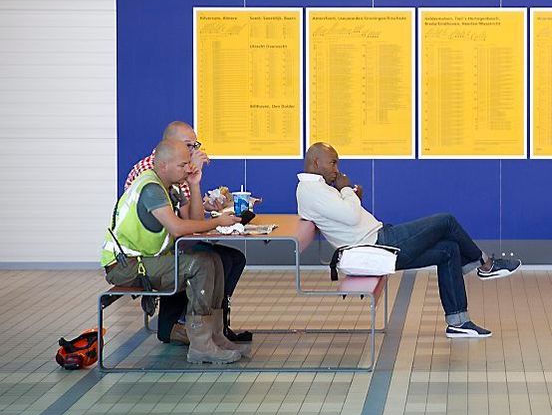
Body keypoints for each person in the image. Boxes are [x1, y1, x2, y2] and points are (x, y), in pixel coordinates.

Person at [297, 142, 522, 338]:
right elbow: (351, 215)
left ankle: (458, 323)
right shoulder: (311, 190)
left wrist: (351, 197)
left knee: (449, 249)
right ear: (316, 163)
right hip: (377, 245)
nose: (337, 170)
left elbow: (345, 215)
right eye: (333, 163)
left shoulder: (319, 188)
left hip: (379, 238)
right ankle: (485, 265)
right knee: (446, 221)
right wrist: (346, 190)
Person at [103, 139, 247, 364]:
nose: (188, 168)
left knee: (213, 258)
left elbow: (195, 221)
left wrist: (195, 183)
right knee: (201, 264)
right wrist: (218, 224)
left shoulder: (171, 187)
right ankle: (201, 345)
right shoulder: (151, 188)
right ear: (163, 166)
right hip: (127, 266)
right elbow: (178, 228)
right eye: (183, 165)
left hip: (146, 259)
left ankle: (215, 336)